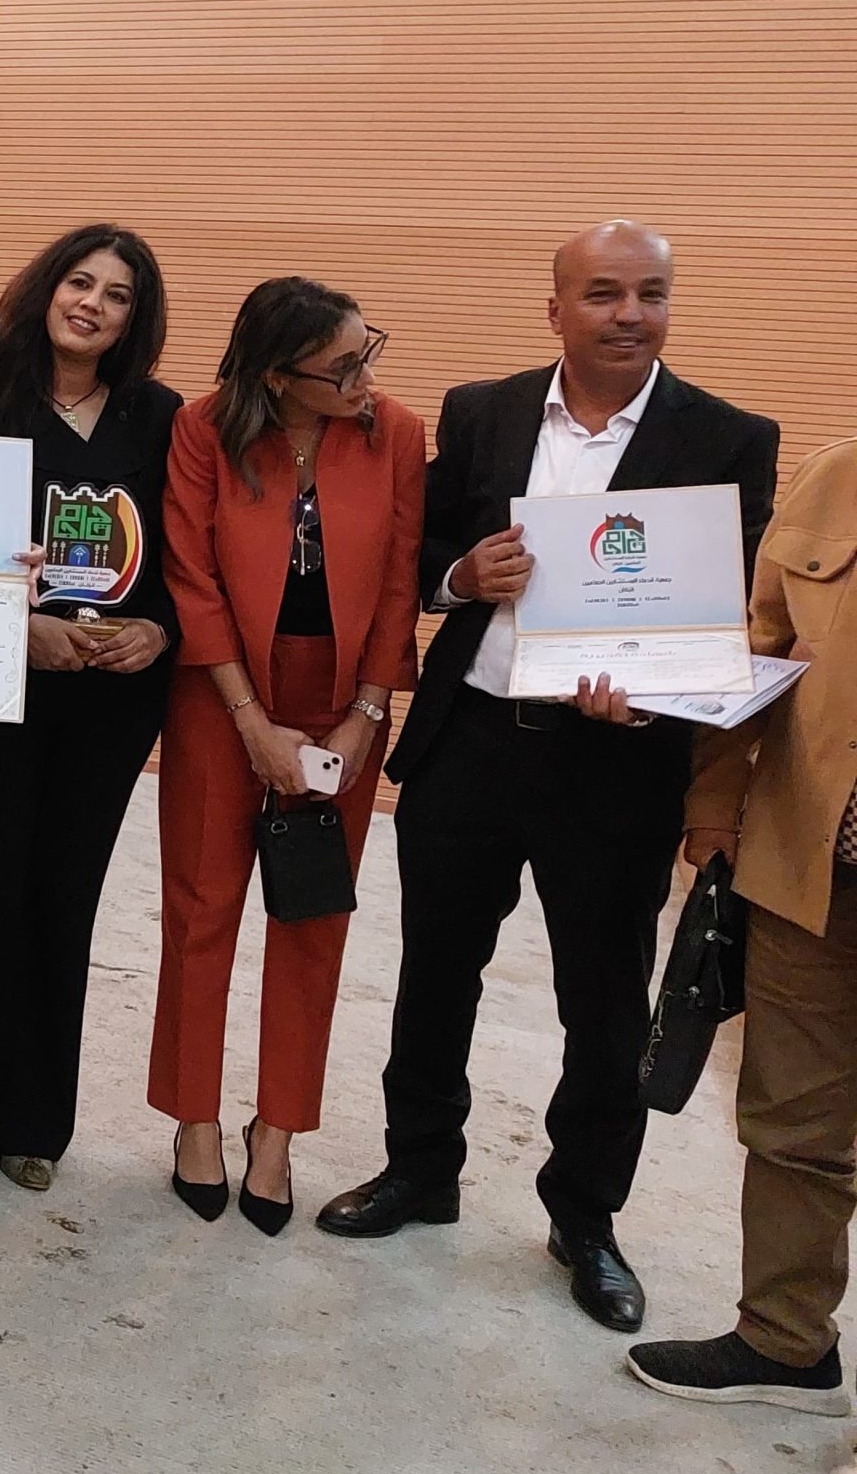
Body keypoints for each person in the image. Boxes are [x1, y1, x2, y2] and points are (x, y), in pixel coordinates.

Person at [320, 222, 779, 1333]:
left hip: (616, 763)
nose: (630, 314)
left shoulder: (728, 437)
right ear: (556, 307)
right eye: (605, 293)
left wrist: (653, 693)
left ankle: (586, 1217)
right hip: (472, 741)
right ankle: (419, 1169)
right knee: (435, 974)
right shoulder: (484, 412)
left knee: (605, 1005)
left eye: (651, 294)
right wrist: (460, 576)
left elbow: (715, 609)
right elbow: (412, 552)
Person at [0, 223, 181, 1190]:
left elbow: (191, 554)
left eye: (117, 295)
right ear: (46, 289)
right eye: (79, 283)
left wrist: (160, 631)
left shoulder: (160, 416)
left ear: (134, 320)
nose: (92, 304)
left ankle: (36, 1120)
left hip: (112, 699)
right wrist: (15, 628)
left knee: (65, 897)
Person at [156, 278, 423, 1234]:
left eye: (365, 353)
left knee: (313, 913)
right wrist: (251, 721)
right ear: (277, 375)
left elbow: (399, 581)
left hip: (345, 694)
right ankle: (194, 1119)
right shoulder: (203, 430)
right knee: (202, 904)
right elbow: (191, 575)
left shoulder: (395, 433)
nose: (364, 380)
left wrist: (367, 714)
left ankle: (277, 1131)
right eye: (342, 367)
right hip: (220, 688)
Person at [626, 433, 857, 1411]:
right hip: (815, 867)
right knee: (793, 1119)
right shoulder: (835, 477)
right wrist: (714, 807)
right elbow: (752, 650)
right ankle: (786, 1341)